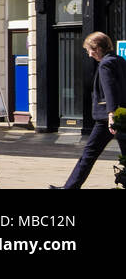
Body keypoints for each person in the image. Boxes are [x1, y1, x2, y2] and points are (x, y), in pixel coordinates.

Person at [54, 31, 126, 189]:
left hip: (107, 118)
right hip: (123, 116)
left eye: (89, 50)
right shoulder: (119, 60)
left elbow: (110, 89)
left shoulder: (106, 64)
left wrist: (111, 115)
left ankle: (70, 188)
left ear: (98, 48)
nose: (89, 54)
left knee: (89, 154)